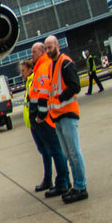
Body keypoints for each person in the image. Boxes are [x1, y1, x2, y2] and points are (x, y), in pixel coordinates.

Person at [45, 35, 88, 203]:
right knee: (68, 154)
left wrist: (61, 98)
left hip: (68, 113)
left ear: (57, 45)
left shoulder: (65, 62)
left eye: (50, 47)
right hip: (58, 116)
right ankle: (76, 186)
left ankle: (81, 186)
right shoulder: (52, 66)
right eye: (46, 48)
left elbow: (75, 85)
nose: (48, 51)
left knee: (74, 152)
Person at [25, 41, 68, 195]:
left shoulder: (43, 67)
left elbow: (43, 94)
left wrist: (40, 117)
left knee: (56, 150)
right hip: (43, 118)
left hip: (45, 119)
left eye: (34, 52)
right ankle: (62, 181)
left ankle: (62, 182)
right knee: (55, 150)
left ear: (42, 52)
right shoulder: (41, 68)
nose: (31, 55)